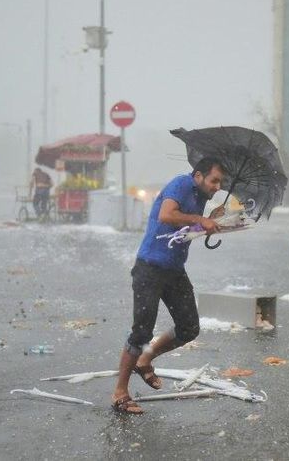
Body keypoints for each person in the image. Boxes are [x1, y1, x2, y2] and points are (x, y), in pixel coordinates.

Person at [111, 157, 226, 414]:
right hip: (150, 268)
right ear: (198, 176)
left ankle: (146, 359)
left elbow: (183, 230)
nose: (218, 186)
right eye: (214, 180)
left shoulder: (201, 196)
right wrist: (199, 218)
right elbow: (166, 215)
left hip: (174, 270)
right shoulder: (181, 184)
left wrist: (211, 221)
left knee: (189, 328)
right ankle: (120, 391)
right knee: (141, 332)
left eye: (221, 182)